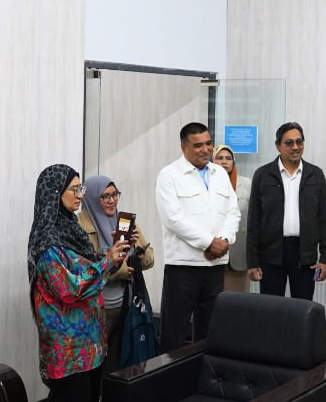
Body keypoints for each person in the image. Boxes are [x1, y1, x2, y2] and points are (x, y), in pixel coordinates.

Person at [27, 164, 130, 402]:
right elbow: (70, 289)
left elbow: (87, 265)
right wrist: (107, 262)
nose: (80, 195)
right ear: (55, 192)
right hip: (69, 351)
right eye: (74, 189)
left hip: (90, 345)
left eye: (80, 188)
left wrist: (112, 255)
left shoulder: (70, 228)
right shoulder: (47, 242)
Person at [155, 122, 241, 351]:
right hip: (183, 267)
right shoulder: (169, 175)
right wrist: (209, 242)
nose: (206, 150)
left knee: (211, 332)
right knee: (174, 332)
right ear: (183, 148)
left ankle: (204, 373)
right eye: (198, 145)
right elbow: (172, 219)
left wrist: (225, 240)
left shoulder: (219, 173)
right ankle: (172, 375)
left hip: (215, 266)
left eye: (208, 144)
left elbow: (233, 212)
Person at [246, 122, 326, 300]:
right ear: (278, 146)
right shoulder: (262, 175)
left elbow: (324, 219)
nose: (295, 147)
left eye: (299, 142)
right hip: (271, 255)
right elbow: (254, 220)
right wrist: (252, 261)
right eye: (289, 143)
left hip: (305, 256)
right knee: (271, 308)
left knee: (302, 308)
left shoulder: (316, 174)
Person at [78, 175, 155, 374]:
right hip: (96, 307)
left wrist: (136, 246)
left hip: (126, 304)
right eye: (105, 196)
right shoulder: (80, 227)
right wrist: (120, 270)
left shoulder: (125, 222)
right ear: (92, 198)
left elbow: (149, 261)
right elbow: (84, 269)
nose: (112, 200)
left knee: (119, 361)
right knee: (95, 363)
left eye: (115, 195)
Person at [214, 144, 253, 293]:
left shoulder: (247, 184)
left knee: (239, 299)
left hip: (239, 249)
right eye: (219, 158)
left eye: (228, 158)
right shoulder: (206, 183)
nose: (224, 162)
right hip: (214, 250)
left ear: (233, 161)